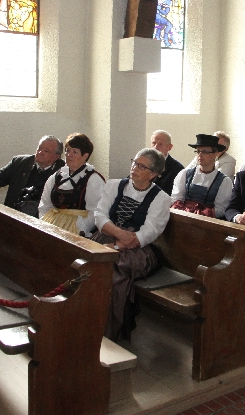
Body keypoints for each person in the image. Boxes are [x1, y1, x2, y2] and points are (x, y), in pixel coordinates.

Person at [92, 148, 171, 341]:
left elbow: (148, 232)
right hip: (108, 237)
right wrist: (119, 234)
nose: (134, 168)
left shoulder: (161, 199)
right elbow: (99, 216)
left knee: (115, 269)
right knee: (87, 262)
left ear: (153, 174)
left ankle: (108, 331)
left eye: (142, 166)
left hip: (139, 250)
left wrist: (117, 246)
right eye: (135, 162)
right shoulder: (114, 185)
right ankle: (84, 321)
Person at [38, 133, 105, 236]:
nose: (69, 154)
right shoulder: (57, 176)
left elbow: (95, 213)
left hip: (78, 231)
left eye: (75, 152)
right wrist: (46, 224)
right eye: (67, 150)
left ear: (85, 156)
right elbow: (45, 205)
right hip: (52, 226)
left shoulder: (93, 180)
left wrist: (78, 229)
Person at [171, 134, 233, 218]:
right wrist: (186, 212)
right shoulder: (185, 174)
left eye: (204, 152)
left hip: (206, 222)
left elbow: (221, 209)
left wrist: (201, 215)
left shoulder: (224, 181)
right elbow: (176, 198)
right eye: (198, 151)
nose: (200, 155)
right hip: (183, 218)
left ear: (215, 153)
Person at [150, 130, 184, 195]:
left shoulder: (177, 169)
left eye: (160, 144)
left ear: (169, 147)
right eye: (153, 143)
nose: (156, 147)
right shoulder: (144, 163)